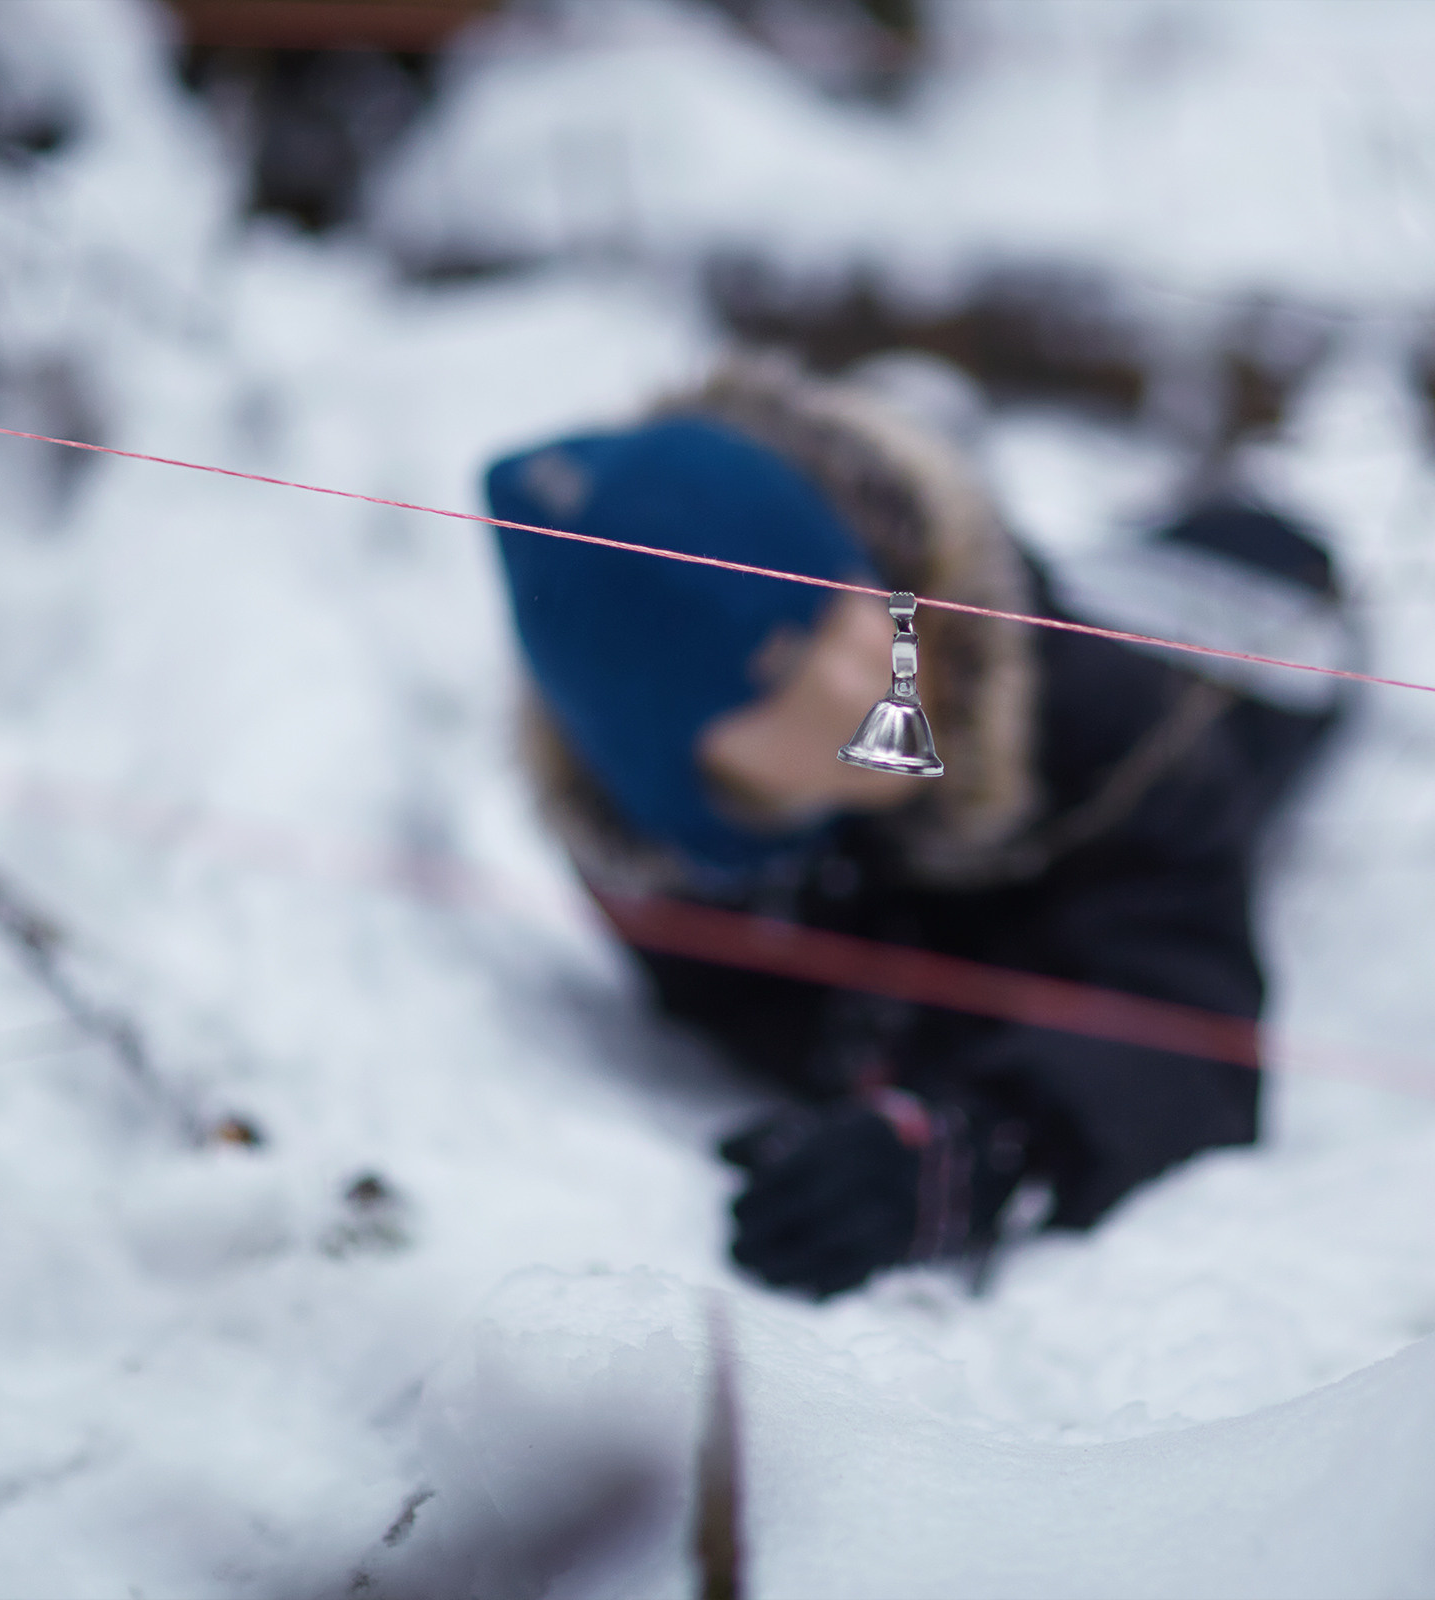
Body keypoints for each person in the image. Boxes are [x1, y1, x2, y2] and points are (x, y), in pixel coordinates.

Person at [484, 355, 1353, 1298]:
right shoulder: (657, 859)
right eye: (776, 675)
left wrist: (985, 1144)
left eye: (833, 601)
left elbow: (1186, 1026)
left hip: (1246, 628)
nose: (855, 674)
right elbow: (776, 1008)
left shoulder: (1112, 719)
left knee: (1267, 565)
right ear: (693, 778)